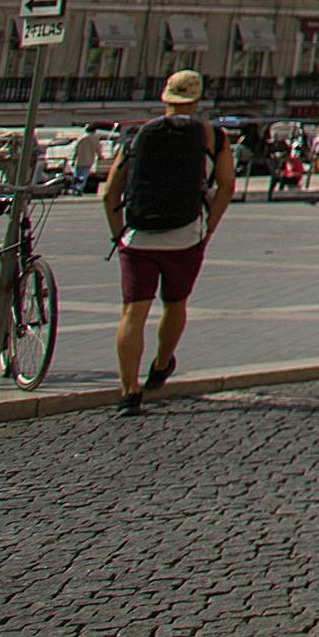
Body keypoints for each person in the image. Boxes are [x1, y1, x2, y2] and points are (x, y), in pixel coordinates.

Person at [102, 70, 231, 415]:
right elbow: (227, 185)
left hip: (138, 235)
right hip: (186, 234)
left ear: (165, 98)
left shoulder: (139, 134)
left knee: (133, 311)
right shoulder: (212, 136)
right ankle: (160, 365)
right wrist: (209, 227)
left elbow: (110, 191)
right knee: (175, 303)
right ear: (198, 100)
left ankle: (129, 391)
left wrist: (119, 233)